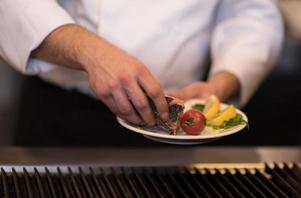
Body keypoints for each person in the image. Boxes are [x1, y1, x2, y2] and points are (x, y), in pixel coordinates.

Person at [0, 0, 283, 146]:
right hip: (64, 119)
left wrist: (219, 86)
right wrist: (91, 53)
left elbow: (250, 13)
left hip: (180, 129)